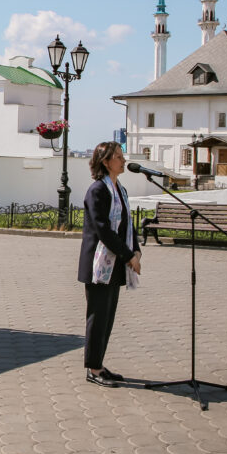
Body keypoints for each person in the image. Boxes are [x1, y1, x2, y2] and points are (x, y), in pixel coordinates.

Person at [77, 141, 141, 388]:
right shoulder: (97, 191)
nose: (123, 161)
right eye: (118, 156)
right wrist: (128, 256)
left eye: (122, 156)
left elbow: (127, 224)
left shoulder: (119, 189)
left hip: (114, 265)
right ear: (105, 161)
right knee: (98, 318)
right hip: (98, 265)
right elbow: (103, 230)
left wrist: (136, 250)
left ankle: (99, 365)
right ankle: (93, 369)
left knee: (108, 318)